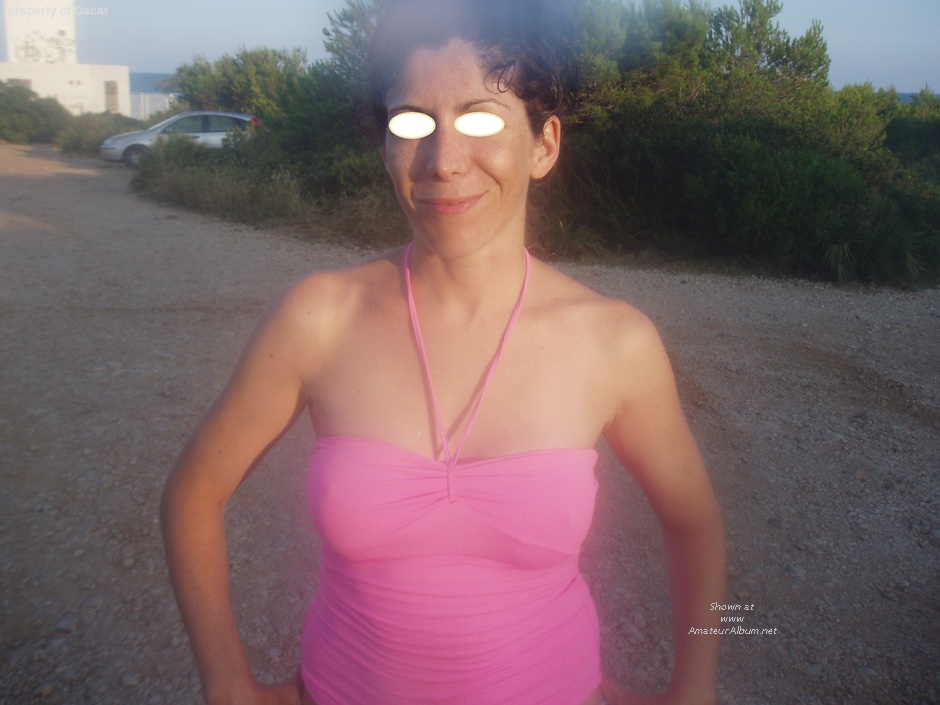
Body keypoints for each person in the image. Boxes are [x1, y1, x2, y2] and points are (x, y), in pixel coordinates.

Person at [160, 1, 726, 704]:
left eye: (481, 119)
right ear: (385, 147)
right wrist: (226, 682)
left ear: (545, 144)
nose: (443, 161)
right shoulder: (318, 318)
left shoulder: (615, 342)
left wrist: (695, 687)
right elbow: (192, 493)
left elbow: (695, 524)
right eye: (412, 124)